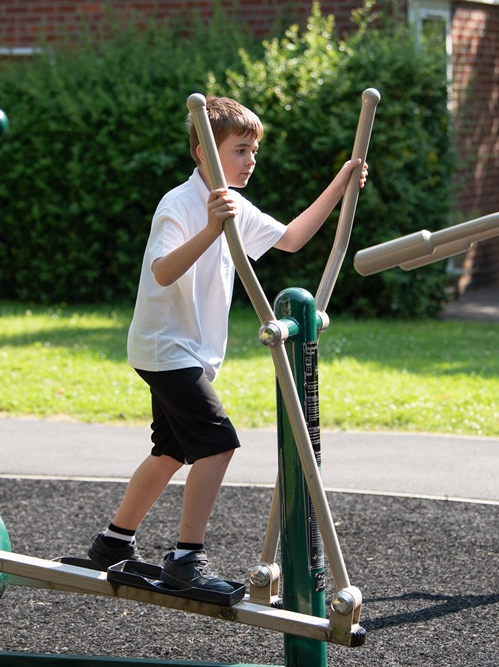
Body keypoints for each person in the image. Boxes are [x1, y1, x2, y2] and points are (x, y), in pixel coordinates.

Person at [88, 96, 367, 593]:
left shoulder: (233, 203)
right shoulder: (180, 204)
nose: (251, 160)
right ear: (204, 152)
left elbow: (293, 239)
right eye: (241, 149)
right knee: (218, 445)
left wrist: (341, 184)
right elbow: (163, 270)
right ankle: (186, 558)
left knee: (170, 452)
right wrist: (213, 228)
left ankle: (113, 542)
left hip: (187, 351)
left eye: (254, 150)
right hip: (165, 348)